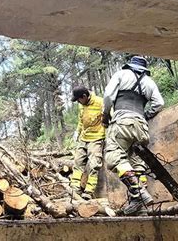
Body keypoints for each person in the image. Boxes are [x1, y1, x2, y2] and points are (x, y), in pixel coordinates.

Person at [102, 56, 164, 215]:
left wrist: (106, 115)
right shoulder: (149, 82)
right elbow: (159, 103)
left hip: (122, 123)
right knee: (136, 164)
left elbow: (108, 96)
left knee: (113, 158)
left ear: (130, 65)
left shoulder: (121, 75)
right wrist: (146, 115)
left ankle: (139, 193)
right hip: (141, 127)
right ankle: (138, 204)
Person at [70, 86, 106, 200]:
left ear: (84, 96)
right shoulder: (82, 106)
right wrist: (77, 132)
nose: (78, 102)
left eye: (79, 99)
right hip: (84, 138)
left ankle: (89, 191)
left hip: (96, 137)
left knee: (94, 164)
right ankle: (74, 188)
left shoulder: (100, 102)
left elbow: (109, 117)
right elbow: (81, 121)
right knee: (78, 161)